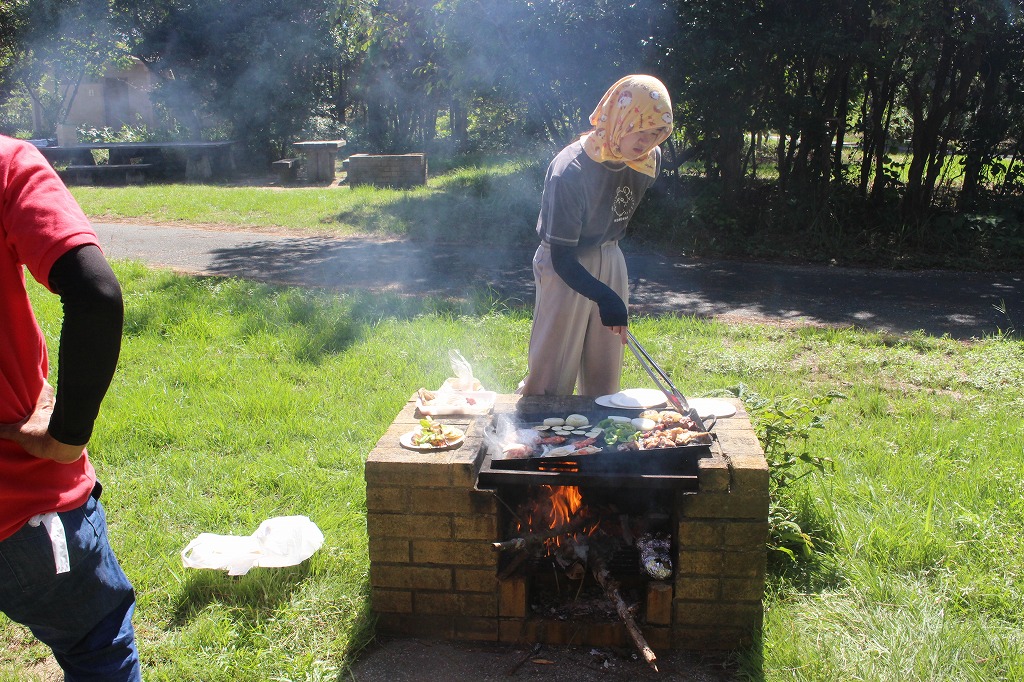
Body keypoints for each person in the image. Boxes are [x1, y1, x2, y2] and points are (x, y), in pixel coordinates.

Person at [0, 134, 141, 681]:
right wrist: (65, 438)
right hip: (23, 507)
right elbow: (95, 292)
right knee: (97, 648)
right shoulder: (7, 163)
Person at [519, 74, 674, 396]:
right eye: (640, 131)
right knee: (551, 375)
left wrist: (608, 290)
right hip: (566, 261)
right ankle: (535, 423)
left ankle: (601, 427)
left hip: (610, 253)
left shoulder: (649, 160)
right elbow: (562, 256)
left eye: (656, 134)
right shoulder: (570, 171)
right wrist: (604, 296)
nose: (646, 143)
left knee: (605, 373)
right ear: (620, 118)